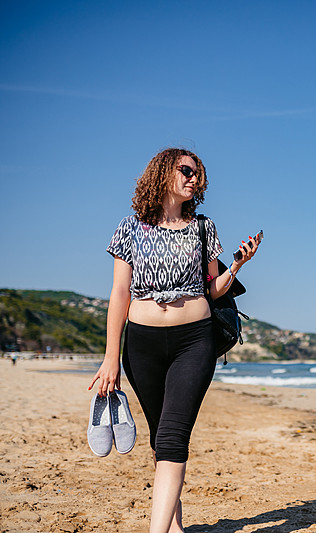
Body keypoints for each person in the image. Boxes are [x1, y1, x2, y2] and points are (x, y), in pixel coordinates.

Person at [88, 148, 261, 533]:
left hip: (193, 341)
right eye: (186, 170)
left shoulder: (204, 228)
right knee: (159, 435)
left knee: (172, 436)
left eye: (198, 174)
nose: (193, 178)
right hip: (142, 345)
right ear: (163, 173)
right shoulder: (130, 227)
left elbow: (212, 289)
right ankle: (175, 526)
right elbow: (120, 293)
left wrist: (236, 265)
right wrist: (110, 357)